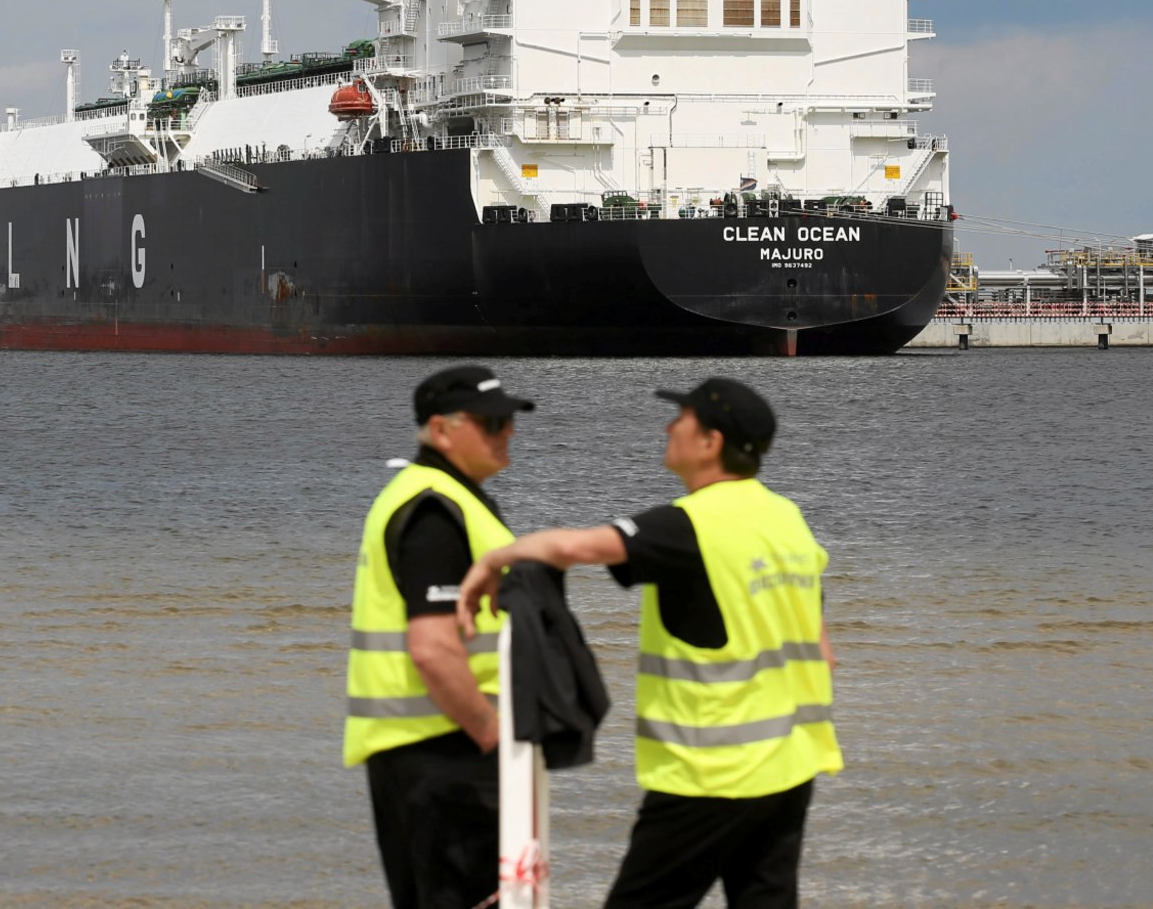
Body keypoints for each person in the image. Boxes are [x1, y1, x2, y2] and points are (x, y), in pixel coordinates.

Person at [457, 377, 841, 909]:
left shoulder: (691, 525)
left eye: (680, 419)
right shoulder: (787, 519)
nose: (667, 428)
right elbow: (823, 651)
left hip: (711, 775)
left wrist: (493, 560)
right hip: (790, 769)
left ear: (709, 442)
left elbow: (576, 547)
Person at [344, 365, 536, 909]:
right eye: (491, 423)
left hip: (432, 753)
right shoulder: (434, 510)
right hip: (447, 754)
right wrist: (492, 736)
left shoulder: (446, 498)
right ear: (440, 430)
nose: (507, 432)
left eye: (508, 421)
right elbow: (431, 648)